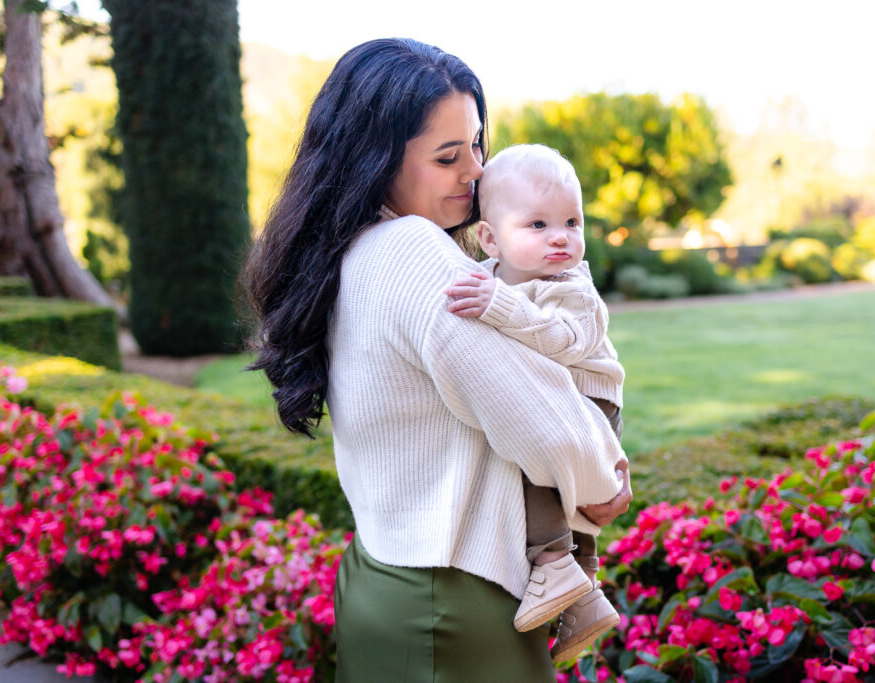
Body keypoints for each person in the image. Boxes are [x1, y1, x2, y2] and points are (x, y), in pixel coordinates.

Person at [241, 38, 632, 682]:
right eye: (447, 156)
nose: (476, 171)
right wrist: (602, 480)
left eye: (476, 145)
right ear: (371, 162)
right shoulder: (413, 253)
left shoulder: (351, 251)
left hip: (386, 577)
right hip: (454, 602)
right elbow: (546, 422)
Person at [445, 144, 624, 662]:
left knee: (540, 468)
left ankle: (551, 565)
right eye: (539, 225)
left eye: (572, 220)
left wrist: (499, 308)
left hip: (589, 399)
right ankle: (583, 599)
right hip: (559, 393)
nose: (561, 237)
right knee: (546, 468)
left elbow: (564, 342)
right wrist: (493, 299)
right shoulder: (496, 277)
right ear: (489, 239)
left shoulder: (574, 289)